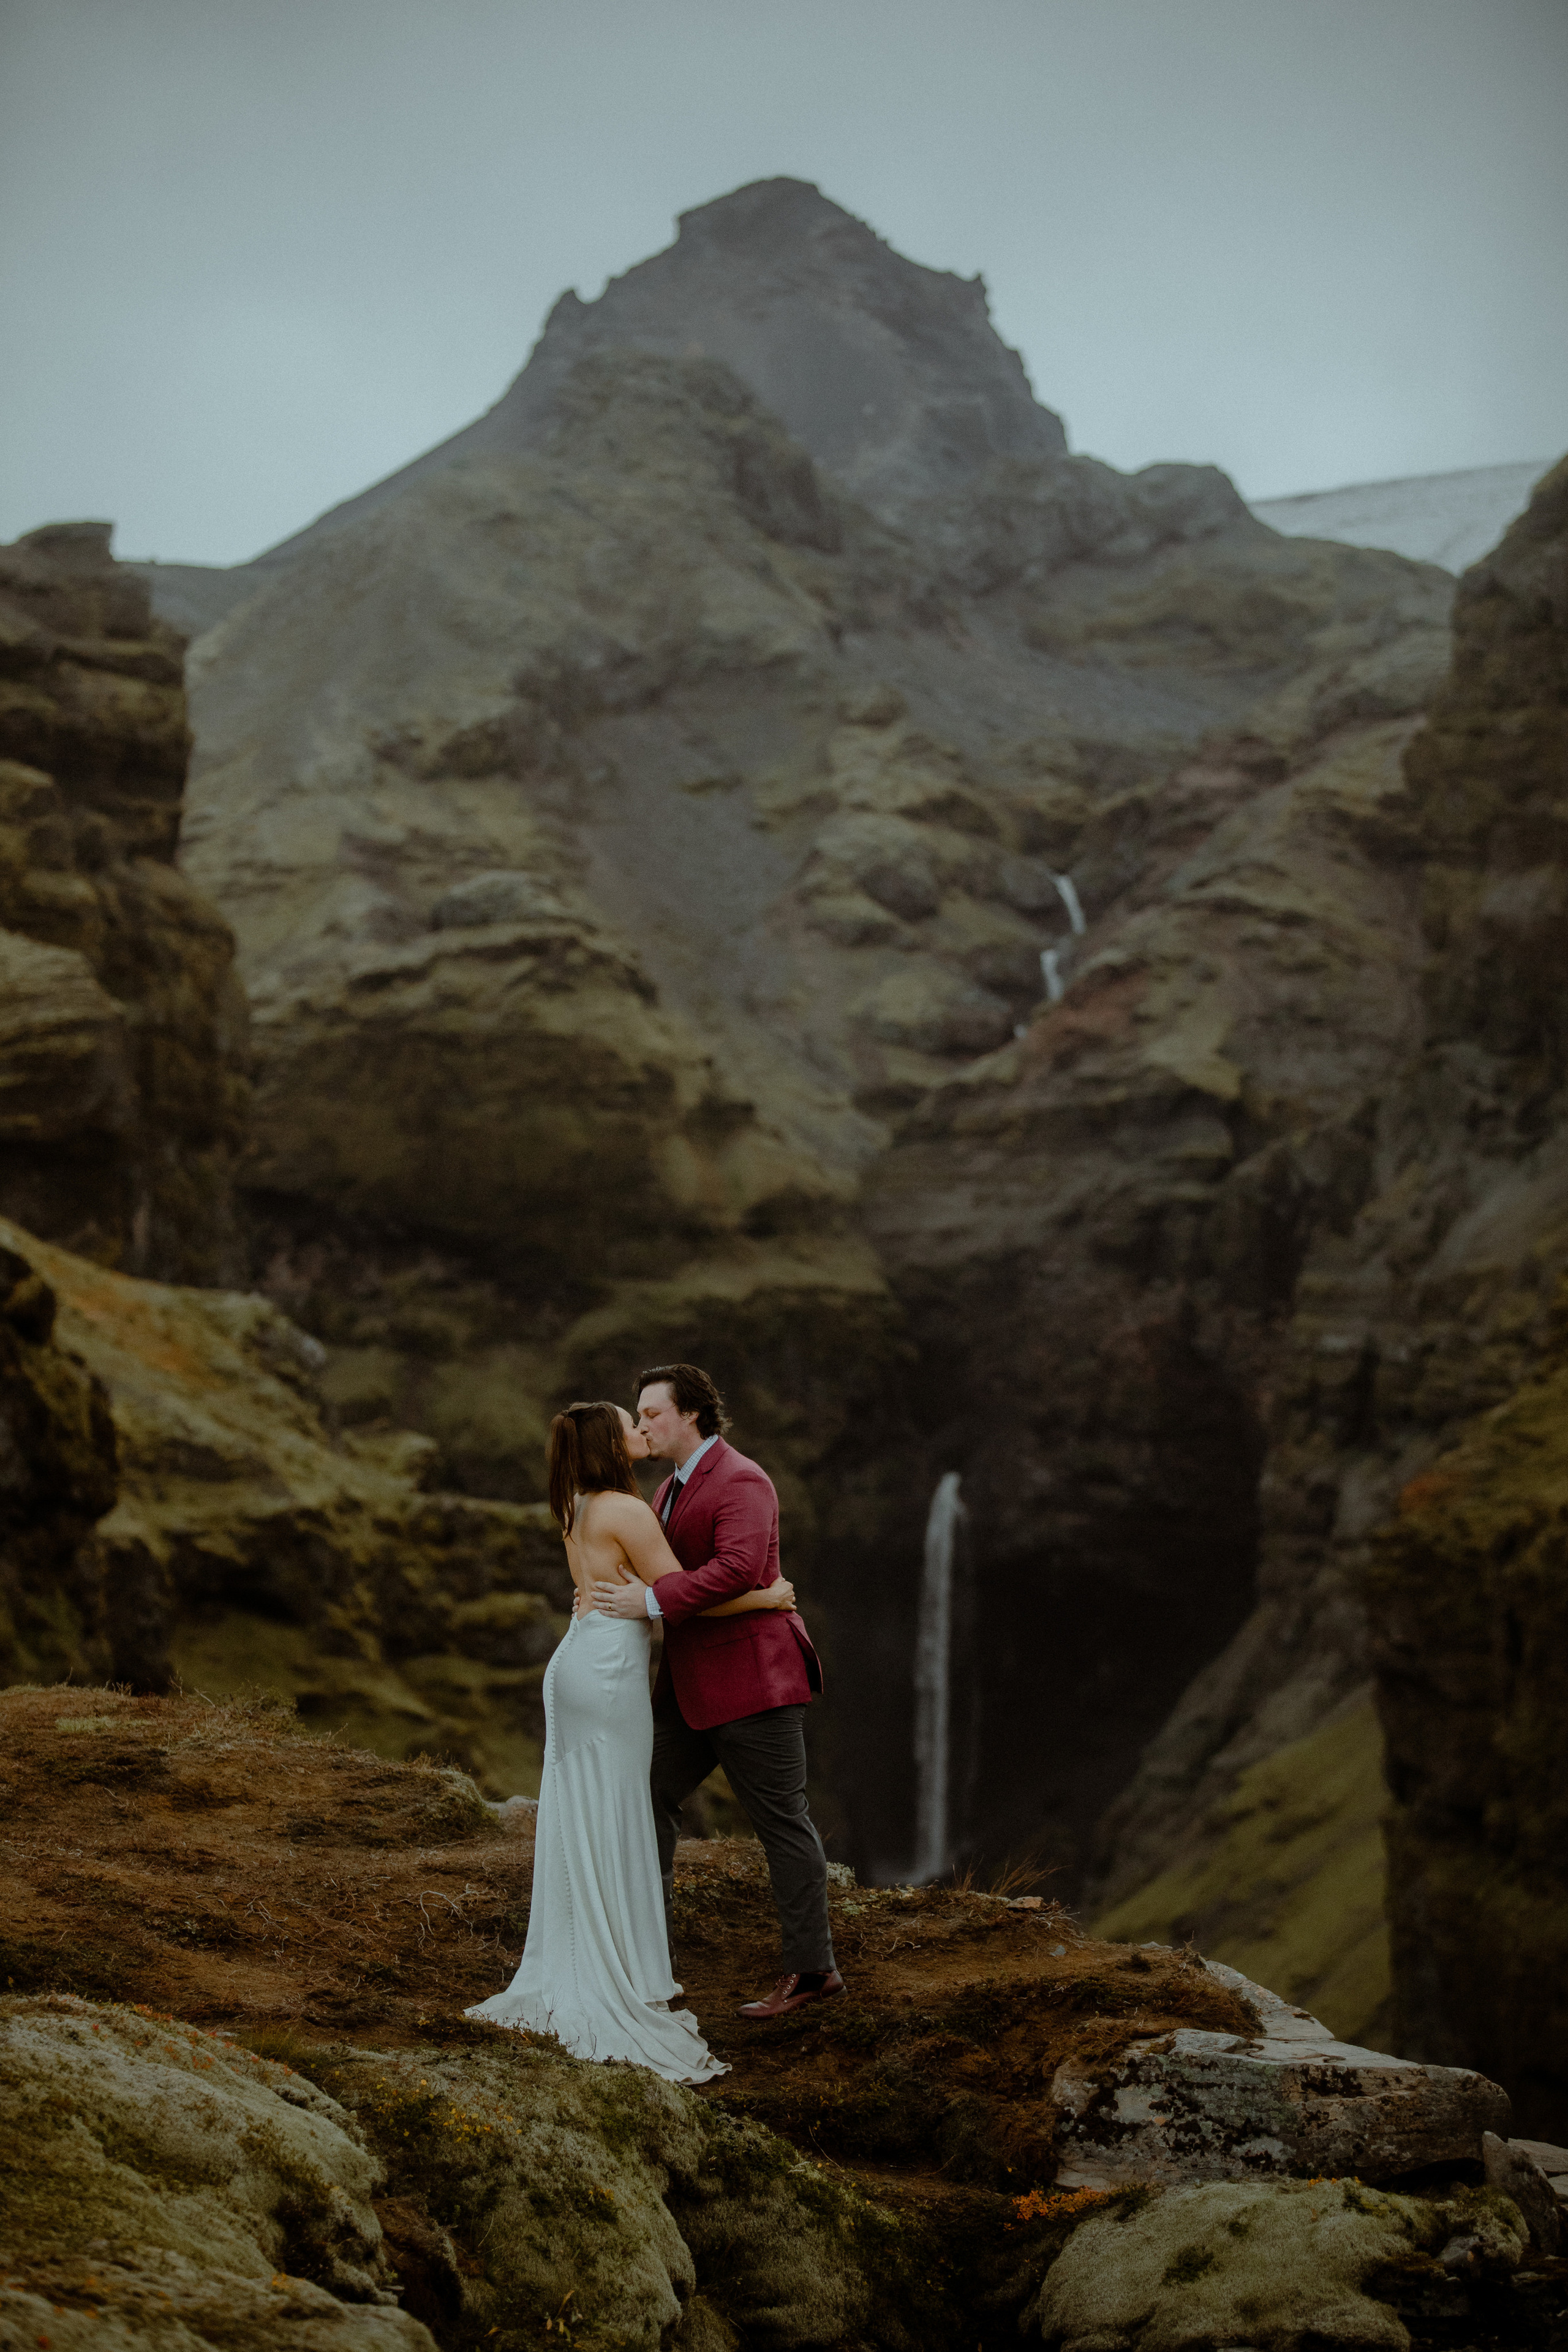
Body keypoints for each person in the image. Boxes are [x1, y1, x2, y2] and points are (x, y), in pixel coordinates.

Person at [464, 1398, 798, 2084]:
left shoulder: (578, 1506)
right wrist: (765, 1599)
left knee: (585, 1811)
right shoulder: (627, 1509)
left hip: (576, 1663)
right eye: (629, 1425)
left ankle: (587, 1951)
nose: (640, 1431)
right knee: (614, 1811)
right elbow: (683, 1596)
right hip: (608, 1679)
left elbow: (628, 1591)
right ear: (610, 1445)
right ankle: (616, 1971)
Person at [590, 1363, 845, 2020]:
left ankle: (813, 1971)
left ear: (691, 1415)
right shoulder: (666, 1490)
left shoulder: (742, 1479)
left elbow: (736, 1568)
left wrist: (650, 1601)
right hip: (689, 1689)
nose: (643, 1424)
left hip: (756, 1682)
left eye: (652, 1413)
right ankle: (649, 1958)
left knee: (781, 1822)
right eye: (639, 1416)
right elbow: (663, 1571)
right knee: (645, 1794)